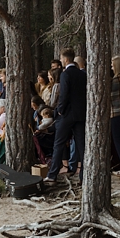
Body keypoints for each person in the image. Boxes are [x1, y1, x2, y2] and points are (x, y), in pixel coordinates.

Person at [45, 53, 86, 184]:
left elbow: (64, 94)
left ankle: (52, 174)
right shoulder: (82, 74)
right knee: (81, 145)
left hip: (67, 114)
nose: (61, 60)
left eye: (62, 58)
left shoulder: (65, 74)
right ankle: (84, 175)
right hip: (80, 114)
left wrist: (60, 110)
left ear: (66, 59)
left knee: (59, 144)